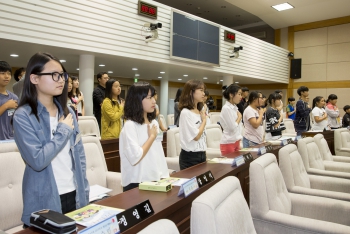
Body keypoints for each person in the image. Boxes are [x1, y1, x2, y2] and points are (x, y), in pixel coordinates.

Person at [12, 52, 89, 226]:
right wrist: (62, 131)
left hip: (74, 193)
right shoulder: (23, 116)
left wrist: (84, 191)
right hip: (45, 198)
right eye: (54, 75)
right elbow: (37, 160)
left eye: (62, 75)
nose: (61, 80)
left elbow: (79, 157)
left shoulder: (67, 112)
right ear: (34, 78)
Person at [119, 82, 169, 192]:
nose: (154, 101)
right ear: (137, 100)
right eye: (149, 98)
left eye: (154, 97)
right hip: (136, 183)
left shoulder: (154, 123)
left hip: (155, 179)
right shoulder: (130, 126)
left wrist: (165, 175)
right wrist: (151, 137)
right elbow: (135, 157)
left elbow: (158, 154)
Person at [178, 79, 207, 170]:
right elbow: (197, 136)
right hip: (190, 158)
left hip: (202, 154)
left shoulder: (199, 111)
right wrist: (204, 121)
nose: (204, 93)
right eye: (201, 90)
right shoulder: (186, 112)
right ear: (191, 92)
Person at [220, 84, 242, 155]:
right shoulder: (226, 108)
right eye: (239, 94)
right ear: (231, 95)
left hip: (236, 140)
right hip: (228, 142)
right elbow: (232, 127)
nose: (241, 97)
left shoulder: (235, 107)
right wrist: (239, 117)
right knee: (229, 166)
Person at [0, 61, 18, 140]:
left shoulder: (14, 97)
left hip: (11, 140)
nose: (6, 76)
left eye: (9, 73)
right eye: (2, 73)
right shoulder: (10, 102)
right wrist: (6, 106)